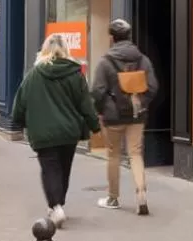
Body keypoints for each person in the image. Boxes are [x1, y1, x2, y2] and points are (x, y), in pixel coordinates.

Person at [11, 34, 99, 228]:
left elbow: (20, 101)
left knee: (50, 169)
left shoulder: (34, 74)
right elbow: (85, 104)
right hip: (69, 132)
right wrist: (95, 126)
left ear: (44, 50)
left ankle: (56, 205)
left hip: (43, 132)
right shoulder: (75, 73)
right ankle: (58, 203)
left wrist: (17, 121)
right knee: (64, 169)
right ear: (66, 49)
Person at [92, 19, 157, 216]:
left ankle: (113, 197)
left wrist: (101, 109)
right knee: (135, 154)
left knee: (113, 155)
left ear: (112, 38)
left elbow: (97, 91)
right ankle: (141, 193)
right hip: (137, 115)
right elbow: (153, 87)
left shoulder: (106, 61)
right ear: (129, 37)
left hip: (113, 117)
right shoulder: (143, 60)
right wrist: (141, 102)